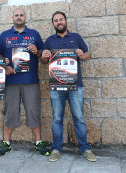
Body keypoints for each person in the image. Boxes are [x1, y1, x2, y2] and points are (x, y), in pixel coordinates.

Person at [41, 11, 97, 162]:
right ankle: (56, 149)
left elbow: (87, 55)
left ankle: (85, 149)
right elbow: (44, 61)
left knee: (78, 117)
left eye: (61, 20)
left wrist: (81, 55)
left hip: (75, 85)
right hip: (56, 86)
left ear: (65, 21)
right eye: (56, 20)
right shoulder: (49, 40)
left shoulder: (76, 37)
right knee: (57, 118)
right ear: (53, 24)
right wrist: (44, 56)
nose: (59, 22)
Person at [0, 8, 50, 157]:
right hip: (10, 81)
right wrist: (4, 66)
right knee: (10, 111)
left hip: (30, 80)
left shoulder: (34, 34)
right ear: (12, 17)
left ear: (26, 17)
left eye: (22, 15)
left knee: (33, 110)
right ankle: (6, 143)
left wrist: (36, 51)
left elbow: (43, 55)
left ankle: (38, 143)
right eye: (17, 15)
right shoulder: (4, 36)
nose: (19, 17)